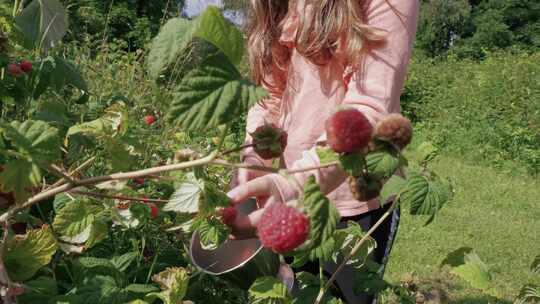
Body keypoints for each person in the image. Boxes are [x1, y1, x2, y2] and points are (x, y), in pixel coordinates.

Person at [227, 0, 419, 302]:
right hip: (287, 198)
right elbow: (269, 96)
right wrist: (255, 158)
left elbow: (368, 110)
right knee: (294, 292)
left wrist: (293, 184)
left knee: (344, 296)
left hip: (356, 202)